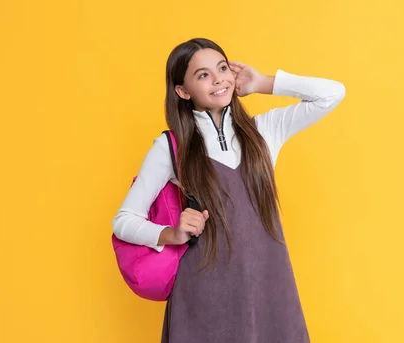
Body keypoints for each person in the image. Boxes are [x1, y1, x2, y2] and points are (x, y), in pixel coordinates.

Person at [112, 37, 346, 342]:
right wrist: (172, 234)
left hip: (268, 288)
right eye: (203, 75)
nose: (218, 78)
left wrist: (264, 82)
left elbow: (332, 94)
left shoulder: (265, 131)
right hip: (204, 296)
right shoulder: (171, 147)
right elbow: (123, 220)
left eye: (222, 68)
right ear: (183, 92)